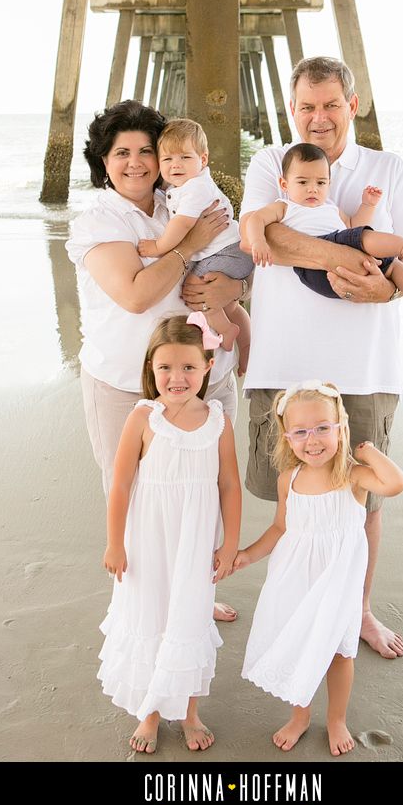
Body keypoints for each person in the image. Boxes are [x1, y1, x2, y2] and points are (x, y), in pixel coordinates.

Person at [239, 56, 403, 658]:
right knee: (293, 499)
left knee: (363, 500)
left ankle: (358, 612)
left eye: (330, 105)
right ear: (291, 109)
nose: (317, 118)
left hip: (363, 365)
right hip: (283, 364)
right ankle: (296, 608)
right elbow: (268, 239)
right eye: (306, 107)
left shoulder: (386, 168)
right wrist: (350, 261)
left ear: (353, 105)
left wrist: (390, 286)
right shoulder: (274, 163)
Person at [66, 99, 244, 622]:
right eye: (122, 152)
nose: (138, 162)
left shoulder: (183, 198)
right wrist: (188, 249)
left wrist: (229, 282)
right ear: (103, 161)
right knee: (136, 494)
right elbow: (137, 294)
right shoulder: (99, 220)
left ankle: (194, 591)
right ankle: (145, 602)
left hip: (203, 375)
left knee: (203, 489)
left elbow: (235, 261)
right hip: (126, 383)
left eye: (147, 150)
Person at [234, 382, 403, 755]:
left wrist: (370, 451)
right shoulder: (288, 480)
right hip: (296, 578)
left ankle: (336, 719)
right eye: (301, 432)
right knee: (303, 647)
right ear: (288, 437)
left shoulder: (353, 475)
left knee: (340, 653)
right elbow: (281, 527)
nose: (312, 440)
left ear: (340, 428)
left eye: (323, 428)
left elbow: (395, 484)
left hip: (338, 582)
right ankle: (300, 717)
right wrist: (248, 554)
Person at [99, 313, 241, 753]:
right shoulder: (144, 418)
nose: (176, 378)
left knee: (189, 616)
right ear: (151, 369)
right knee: (150, 614)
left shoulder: (217, 419)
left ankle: (190, 712)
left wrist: (231, 542)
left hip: (195, 540)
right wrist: (114, 542)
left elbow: (229, 484)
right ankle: (150, 713)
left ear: (208, 367)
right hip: (147, 540)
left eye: (188, 368)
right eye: (165, 368)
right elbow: (120, 482)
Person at [247, 142, 403, 306]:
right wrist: (258, 242)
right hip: (314, 270)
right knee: (362, 238)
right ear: (284, 185)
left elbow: (354, 225)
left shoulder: (330, 207)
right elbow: (256, 219)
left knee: (390, 264)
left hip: (342, 250)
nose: (312, 189)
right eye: (302, 182)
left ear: (329, 184)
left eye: (320, 183)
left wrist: (367, 205)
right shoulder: (284, 206)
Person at [137, 118, 254, 371]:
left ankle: (226, 330)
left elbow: (181, 226)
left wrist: (158, 247)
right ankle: (246, 349)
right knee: (231, 306)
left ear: (203, 159)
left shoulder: (196, 188)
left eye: (184, 158)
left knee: (196, 293)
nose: (175, 165)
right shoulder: (185, 185)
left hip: (227, 253)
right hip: (231, 250)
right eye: (167, 160)